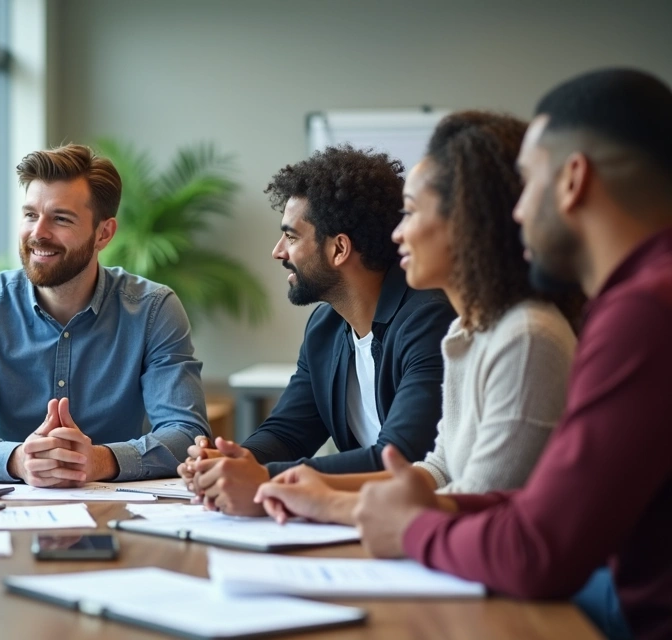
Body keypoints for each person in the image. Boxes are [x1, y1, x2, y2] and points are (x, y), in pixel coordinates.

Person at [352, 69, 672, 640]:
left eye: (527, 184)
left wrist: (412, 528)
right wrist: (429, 511)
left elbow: (537, 550)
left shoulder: (643, 312)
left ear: (573, 180)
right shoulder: (642, 297)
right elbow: (541, 508)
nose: (516, 210)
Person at [254, 111, 579, 526]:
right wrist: (269, 475)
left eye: (410, 213)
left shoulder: (524, 334)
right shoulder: (467, 330)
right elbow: (438, 471)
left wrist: (292, 489)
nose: (396, 233)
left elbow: (480, 503)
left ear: (465, 226)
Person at [180, 146, 456, 515]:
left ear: (339, 248)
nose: (278, 251)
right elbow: (288, 431)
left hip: (426, 521)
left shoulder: (428, 321)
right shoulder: (326, 328)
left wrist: (261, 479)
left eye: (291, 237)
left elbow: (399, 457)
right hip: (363, 517)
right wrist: (230, 460)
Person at [0, 144, 210, 485]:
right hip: (5, 512)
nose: (38, 233)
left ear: (104, 233)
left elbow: (187, 433)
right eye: (31, 214)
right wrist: (18, 460)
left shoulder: (153, 309)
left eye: (60, 218)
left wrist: (98, 461)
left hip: (118, 511)